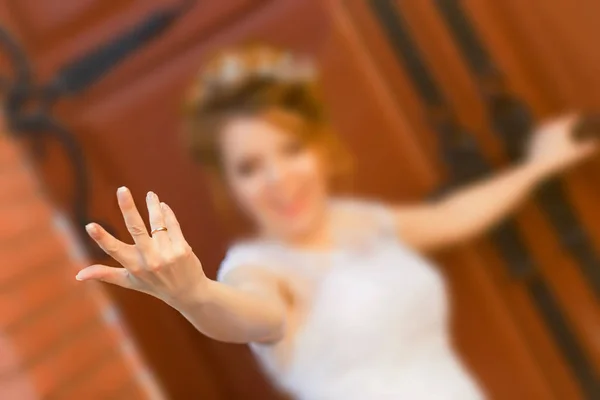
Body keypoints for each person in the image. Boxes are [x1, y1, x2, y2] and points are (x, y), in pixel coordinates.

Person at [75, 44, 597, 399]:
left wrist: (540, 166)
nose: (277, 178)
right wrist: (196, 294)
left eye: (289, 150)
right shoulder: (256, 269)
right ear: (230, 185)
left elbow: (453, 217)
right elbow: (257, 316)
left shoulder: (359, 222)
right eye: (250, 167)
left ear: (319, 151)